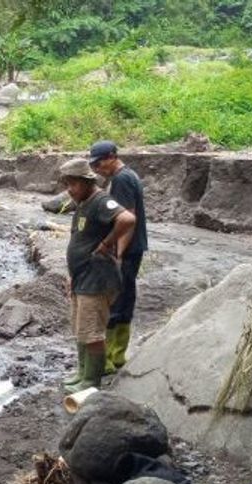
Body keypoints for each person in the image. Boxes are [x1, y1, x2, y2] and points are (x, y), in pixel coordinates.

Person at [58, 158, 136, 393]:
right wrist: (72, 274)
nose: (69, 190)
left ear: (86, 181)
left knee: (92, 332)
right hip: (83, 277)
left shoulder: (101, 200)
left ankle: (92, 380)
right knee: (81, 328)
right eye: (67, 184)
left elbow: (128, 219)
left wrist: (106, 243)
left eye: (73, 184)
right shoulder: (83, 202)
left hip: (98, 279)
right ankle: (82, 372)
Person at [88, 140, 147, 374]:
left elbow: (128, 219)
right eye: (94, 165)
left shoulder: (122, 180)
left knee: (115, 301)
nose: (97, 168)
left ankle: (110, 358)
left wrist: (118, 253)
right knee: (125, 298)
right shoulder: (128, 175)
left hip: (127, 250)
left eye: (100, 163)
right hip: (134, 249)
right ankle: (118, 354)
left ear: (112, 156)